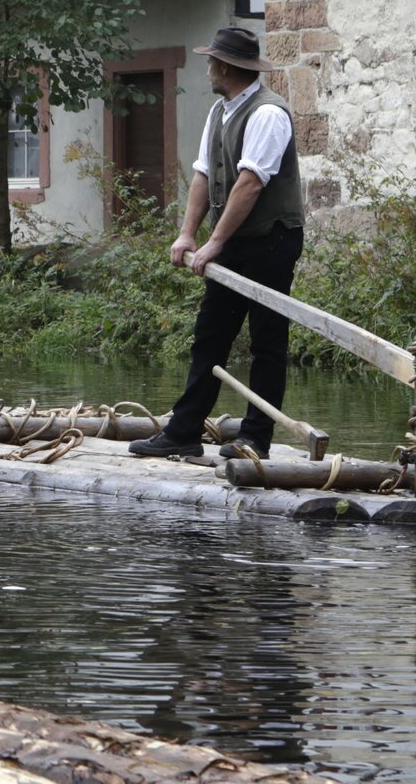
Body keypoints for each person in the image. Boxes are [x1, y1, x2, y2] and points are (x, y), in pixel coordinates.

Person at [130, 27, 305, 462]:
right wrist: (188, 233)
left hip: (272, 239)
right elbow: (204, 174)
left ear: (225, 68)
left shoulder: (268, 114)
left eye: (211, 62)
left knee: (267, 340)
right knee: (210, 335)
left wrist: (214, 242)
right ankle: (183, 432)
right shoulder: (220, 111)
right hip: (235, 240)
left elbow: (249, 184)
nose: (207, 69)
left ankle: (255, 439)